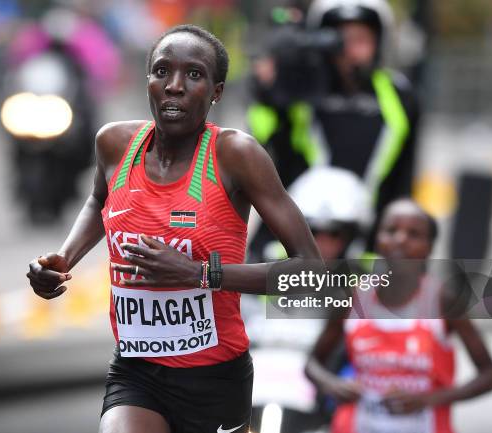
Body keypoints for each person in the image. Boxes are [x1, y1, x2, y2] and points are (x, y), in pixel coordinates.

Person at [26, 24, 322, 433]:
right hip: (135, 371)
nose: (175, 86)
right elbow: (99, 199)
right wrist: (64, 257)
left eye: (194, 75)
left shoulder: (236, 155)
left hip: (216, 379)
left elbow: (311, 273)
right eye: (162, 71)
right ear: (148, 80)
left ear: (216, 92)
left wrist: (198, 274)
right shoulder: (114, 144)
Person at [304, 199, 492, 433]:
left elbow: (490, 376)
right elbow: (312, 364)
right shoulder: (353, 297)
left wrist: (428, 399)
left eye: (414, 234)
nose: (400, 239)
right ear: (377, 240)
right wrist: (332, 385)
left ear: (429, 247)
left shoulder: (443, 302)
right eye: (391, 230)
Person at [247, 0, 420, 259]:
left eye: (361, 39)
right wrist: (268, 91)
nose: (349, 49)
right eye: (340, 38)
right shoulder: (301, 88)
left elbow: (403, 177)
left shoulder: (399, 95)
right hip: (297, 234)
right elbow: (263, 140)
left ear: (379, 42)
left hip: (365, 241)